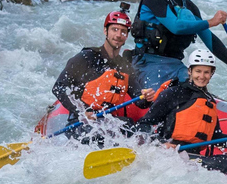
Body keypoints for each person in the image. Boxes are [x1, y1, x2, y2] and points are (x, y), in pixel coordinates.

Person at [136, 49, 227, 174]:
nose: (202, 76)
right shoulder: (173, 93)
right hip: (171, 155)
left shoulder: (209, 102)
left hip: (194, 157)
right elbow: (144, 123)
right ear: (190, 71)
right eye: (198, 71)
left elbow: (216, 138)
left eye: (206, 72)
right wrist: (161, 143)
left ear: (212, 73)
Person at [52, 7, 155, 140]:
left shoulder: (125, 67)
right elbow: (59, 87)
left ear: (126, 36)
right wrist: (82, 111)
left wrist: (146, 97)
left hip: (110, 122)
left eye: (123, 31)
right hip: (82, 122)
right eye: (114, 29)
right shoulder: (86, 57)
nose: (118, 35)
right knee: (99, 134)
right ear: (105, 31)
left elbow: (139, 100)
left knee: (145, 131)